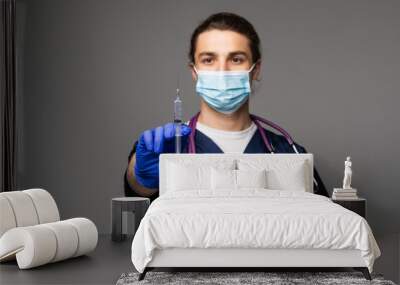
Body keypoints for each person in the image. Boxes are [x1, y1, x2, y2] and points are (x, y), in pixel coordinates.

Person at [124, 12, 328, 202]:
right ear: (194, 72)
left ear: (255, 70)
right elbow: (137, 193)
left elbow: (324, 223)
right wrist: (140, 176)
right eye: (209, 59)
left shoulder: (289, 152)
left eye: (236, 59)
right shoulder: (168, 147)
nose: (222, 70)